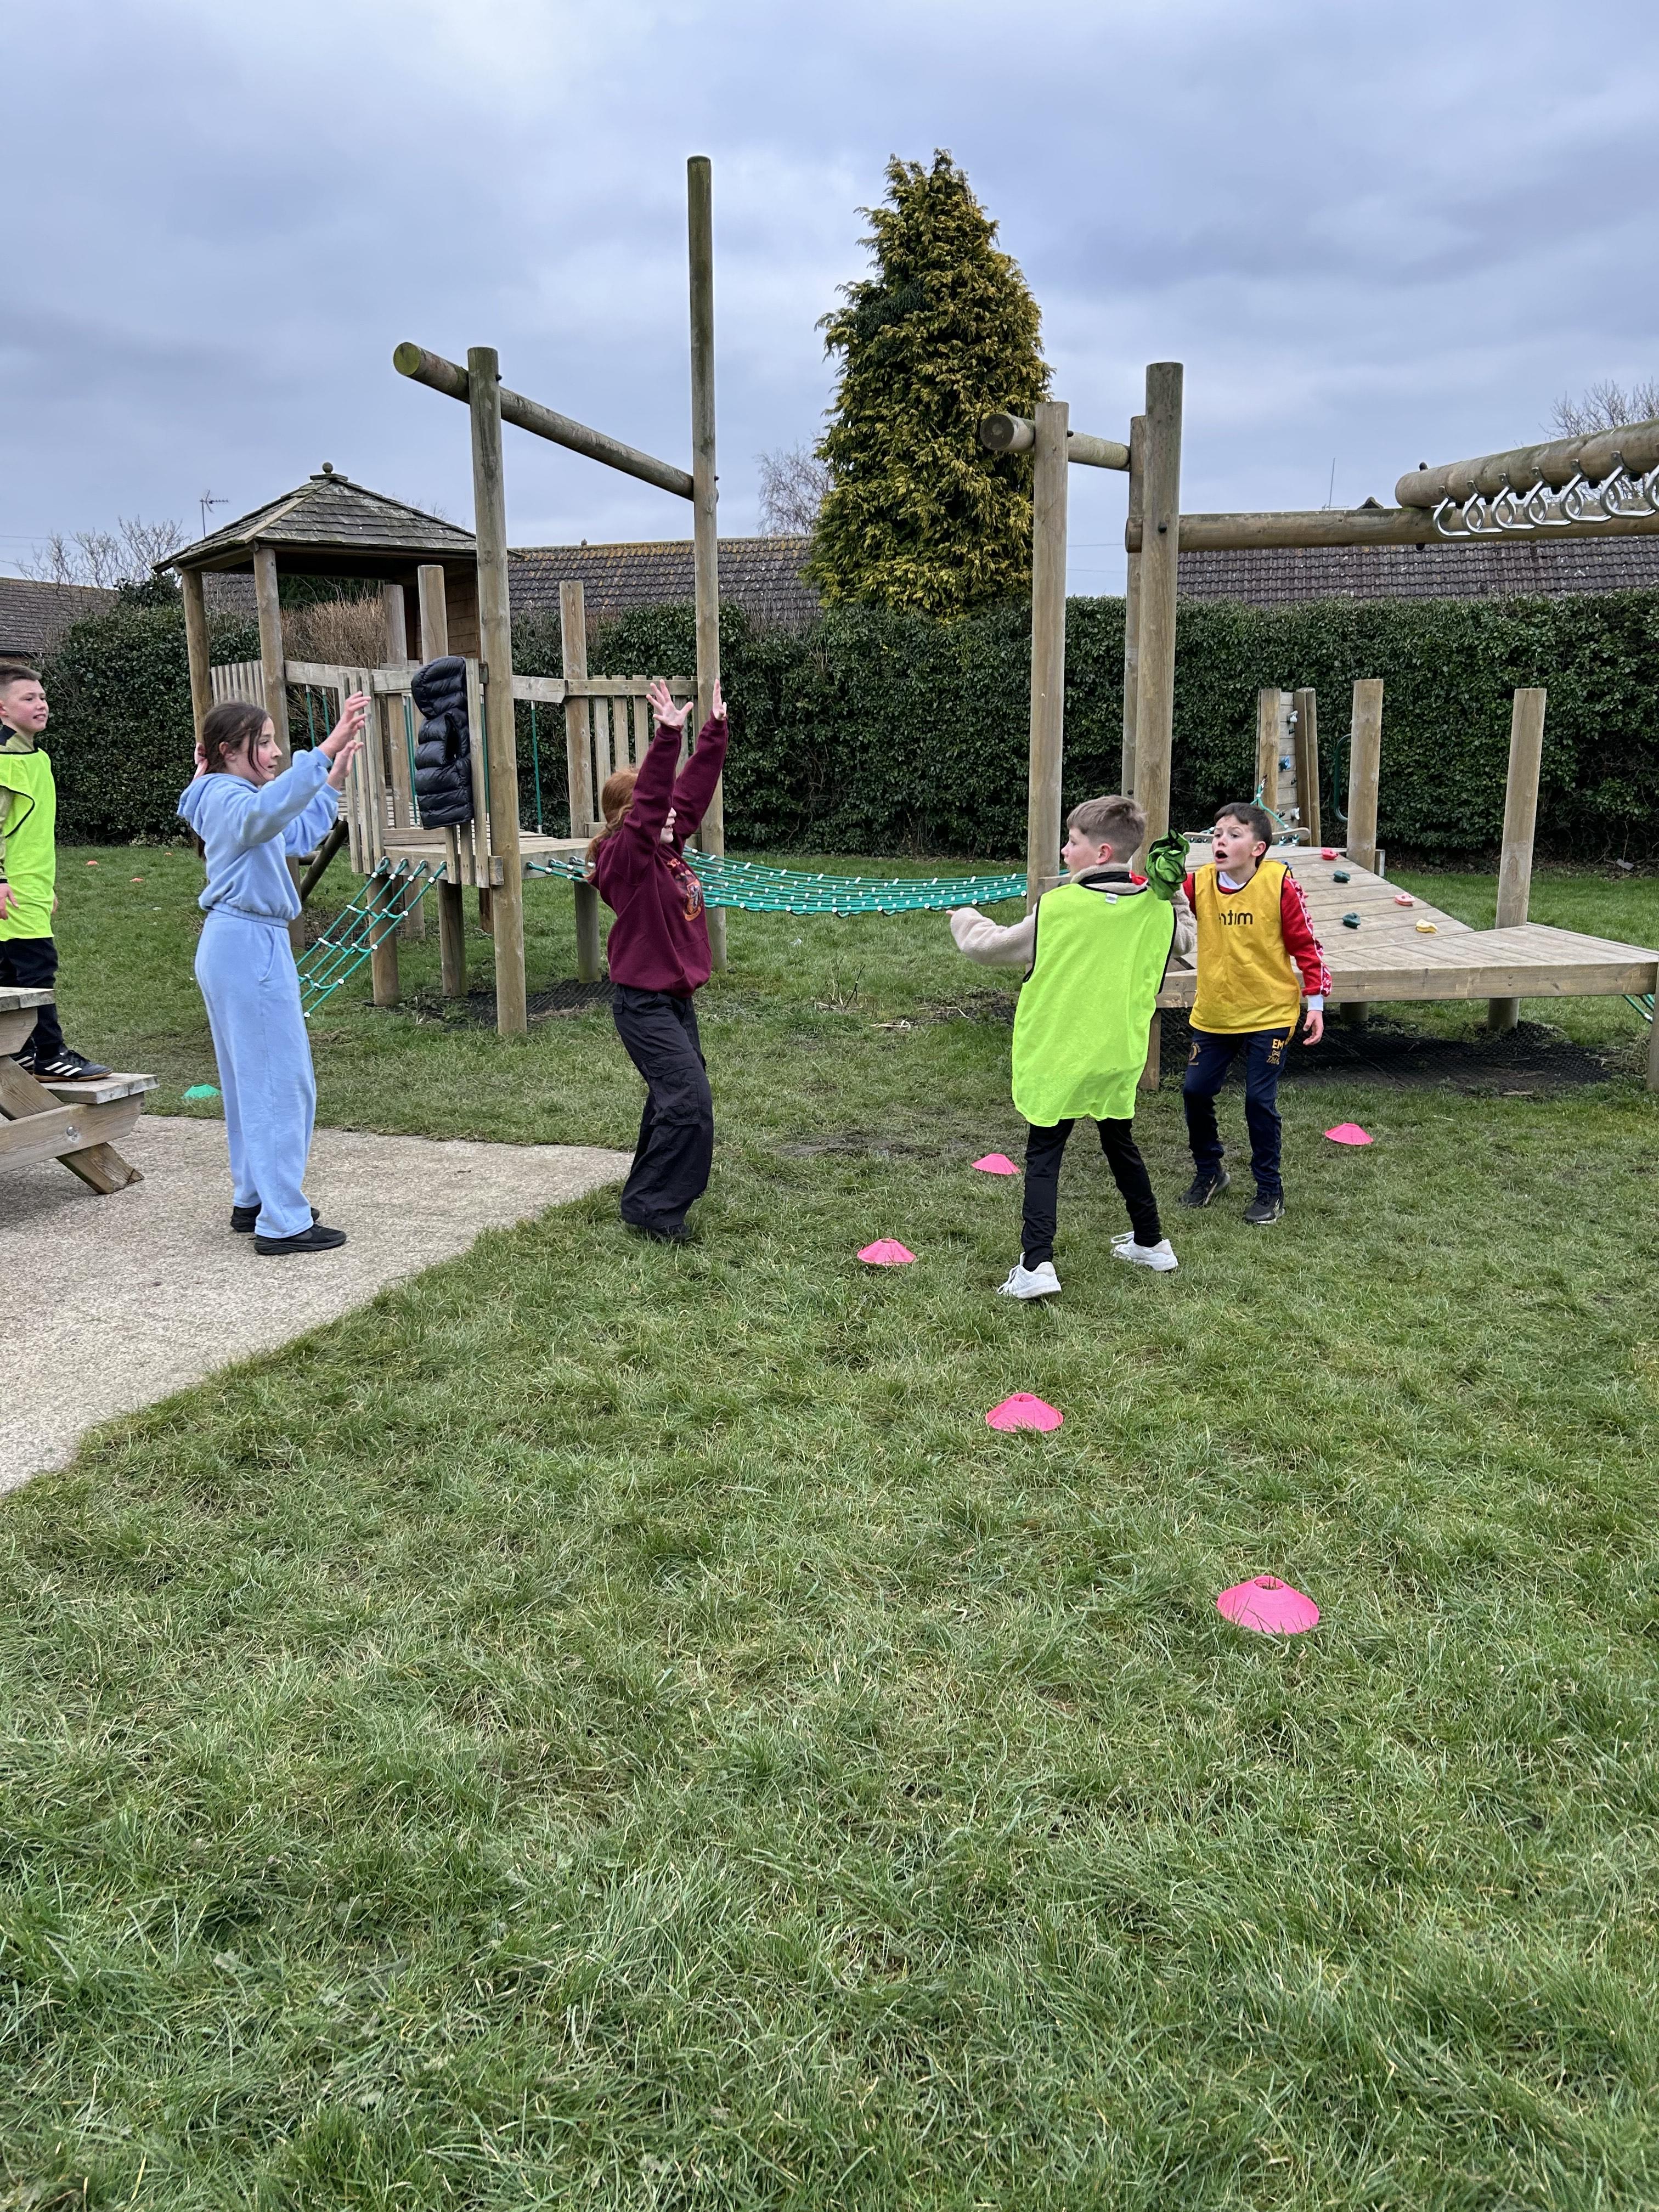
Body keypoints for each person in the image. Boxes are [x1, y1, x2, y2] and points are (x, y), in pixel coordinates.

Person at [950, 794, 1194, 1300]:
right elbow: (1186, 938)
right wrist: (1173, 892)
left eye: (1073, 841)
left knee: (1044, 1155)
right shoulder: (1157, 910)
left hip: (1058, 1055)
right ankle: (1152, 1243)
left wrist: (965, 918)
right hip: (1119, 1054)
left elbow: (989, 947)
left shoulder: (1058, 907)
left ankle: (1036, 1264)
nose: (1065, 851)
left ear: (1101, 853)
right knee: (1120, 1143)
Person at [177, 694, 365, 1254]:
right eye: (263, 742)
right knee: (281, 1084)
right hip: (246, 946)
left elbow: (294, 835)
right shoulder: (226, 797)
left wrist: (330, 779)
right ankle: (283, 1220)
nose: (277, 751)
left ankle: (255, 1198)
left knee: (251, 1082)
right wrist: (324, 749)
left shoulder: (232, 796)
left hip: (242, 943)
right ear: (228, 751)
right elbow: (264, 816)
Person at [589, 676, 728, 1243]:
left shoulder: (669, 849)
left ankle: (646, 1198)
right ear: (630, 819)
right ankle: (655, 1209)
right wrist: (667, 737)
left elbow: (687, 797)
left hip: (673, 1001)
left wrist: (713, 733)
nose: (672, 813)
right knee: (688, 1103)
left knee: (673, 1101)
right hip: (643, 1005)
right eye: (657, 807)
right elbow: (652, 808)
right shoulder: (627, 861)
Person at [1180, 802, 1329, 1227]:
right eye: (1217, 834)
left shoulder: (1278, 885)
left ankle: (1269, 1189)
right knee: (1194, 1092)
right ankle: (1210, 1172)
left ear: (1258, 848)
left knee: (1258, 1100)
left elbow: (1307, 947)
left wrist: (1316, 1004)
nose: (1221, 841)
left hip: (1270, 1013)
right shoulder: (1197, 884)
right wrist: (1148, 877)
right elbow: (1157, 899)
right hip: (1215, 1012)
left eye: (1234, 834)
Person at [0, 661, 110, 1081]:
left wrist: (46, 886)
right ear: (2, 709)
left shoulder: (36, 757)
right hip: (12, 890)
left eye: (43, 697)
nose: (41, 704)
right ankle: (50, 1054)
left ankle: (21, 1052)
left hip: (30, 887)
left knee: (12, 972)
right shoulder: (4, 761)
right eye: (28, 698)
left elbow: (29, 833)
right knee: (35, 970)